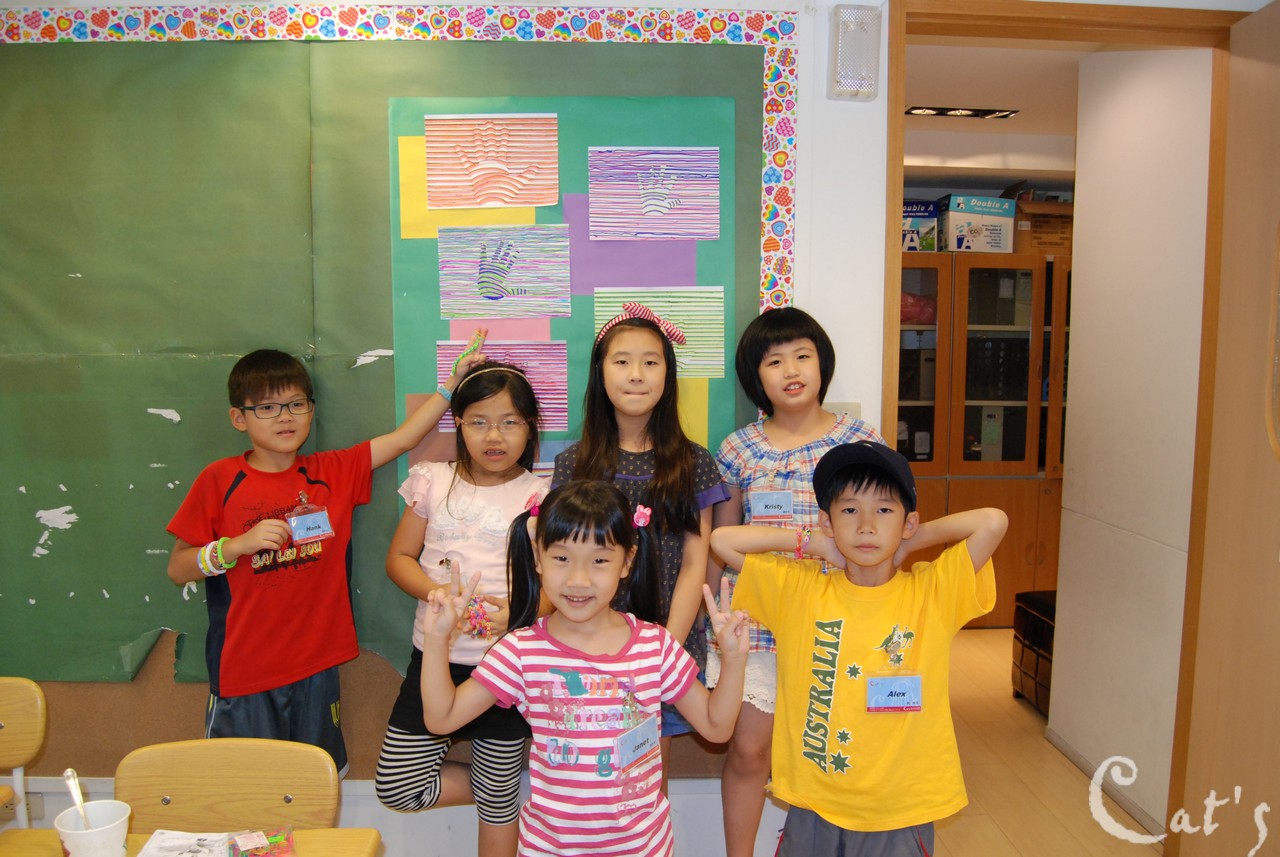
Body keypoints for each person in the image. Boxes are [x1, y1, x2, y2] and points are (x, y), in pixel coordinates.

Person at [165, 332, 488, 775]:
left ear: (311, 410)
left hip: (316, 667)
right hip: (244, 671)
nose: (285, 417)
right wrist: (235, 547)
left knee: (313, 784)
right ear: (239, 418)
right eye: (267, 407)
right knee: (245, 789)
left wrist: (452, 384)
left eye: (296, 404)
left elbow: (403, 439)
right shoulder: (221, 479)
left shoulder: (332, 472)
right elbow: (178, 568)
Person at [420, 480, 750, 857]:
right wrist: (436, 640)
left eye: (599, 560)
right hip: (549, 850)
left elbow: (716, 727)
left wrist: (734, 660)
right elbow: (442, 718)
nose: (578, 580)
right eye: (562, 558)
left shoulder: (655, 646)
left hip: (643, 850)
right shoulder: (520, 651)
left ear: (627, 561)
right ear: (538, 557)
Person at [711, 441, 1008, 856]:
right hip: (814, 802)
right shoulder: (800, 588)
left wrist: (910, 542)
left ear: (909, 521)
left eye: (884, 510)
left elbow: (992, 522)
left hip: (901, 808)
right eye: (849, 510)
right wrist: (814, 545)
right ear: (828, 521)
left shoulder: (932, 592)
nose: (866, 526)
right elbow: (723, 540)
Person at [705, 305, 883, 856]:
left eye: (802, 355)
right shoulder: (738, 448)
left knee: (836, 751)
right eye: (774, 361)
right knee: (749, 753)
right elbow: (722, 537)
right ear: (755, 377)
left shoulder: (860, 440)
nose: (791, 370)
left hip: (839, 619)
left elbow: (882, 530)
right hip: (759, 618)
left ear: (822, 363)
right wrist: (708, 622)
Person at [374, 361, 548, 857]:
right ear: (458, 425)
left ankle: (501, 791)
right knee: (398, 786)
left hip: (506, 669)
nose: (494, 435)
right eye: (479, 421)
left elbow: (556, 585)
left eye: (510, 422)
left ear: (530, 427)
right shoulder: (433, 480)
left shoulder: (539, 496)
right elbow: (399, 558)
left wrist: (517, 613)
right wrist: (435, 593)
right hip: (434, 661)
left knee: (498, 807)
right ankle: (504, 788)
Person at [552, 302, 728, 780]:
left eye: (651, 362)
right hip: (585, 645)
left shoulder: (693, 463)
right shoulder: (573, 465)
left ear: (668, 375)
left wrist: (663, 650)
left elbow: (694, 563)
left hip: (665, 646)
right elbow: (560, 562)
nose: (636, 374)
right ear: (600, 372)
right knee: (588, 775)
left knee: (647, 779)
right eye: (622, 361)